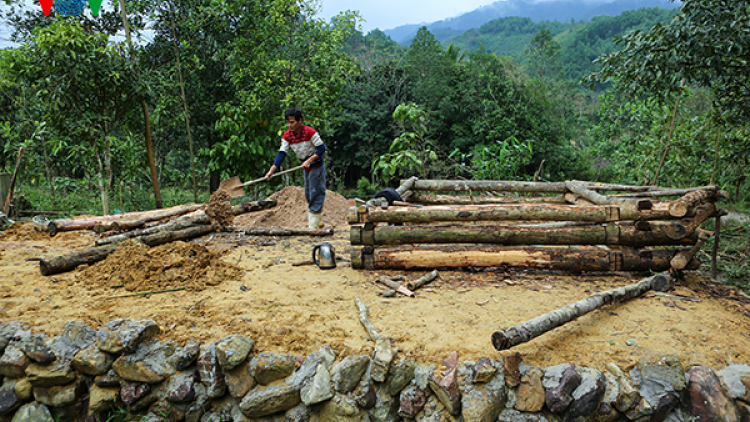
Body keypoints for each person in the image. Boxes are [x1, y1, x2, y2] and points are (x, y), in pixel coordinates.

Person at [265, 108, 327, 229]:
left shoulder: (310, 132)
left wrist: (309, 160)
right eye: (288, 122)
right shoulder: (287, 136)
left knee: (316, 192)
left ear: (300, 120)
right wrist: (272, 170)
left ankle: (313, 226)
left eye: (292, 122)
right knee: (308, 195)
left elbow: (321, 148)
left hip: (316, 165)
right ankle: (318, 221)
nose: (290, 125)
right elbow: (282, 153)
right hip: (306, 167)